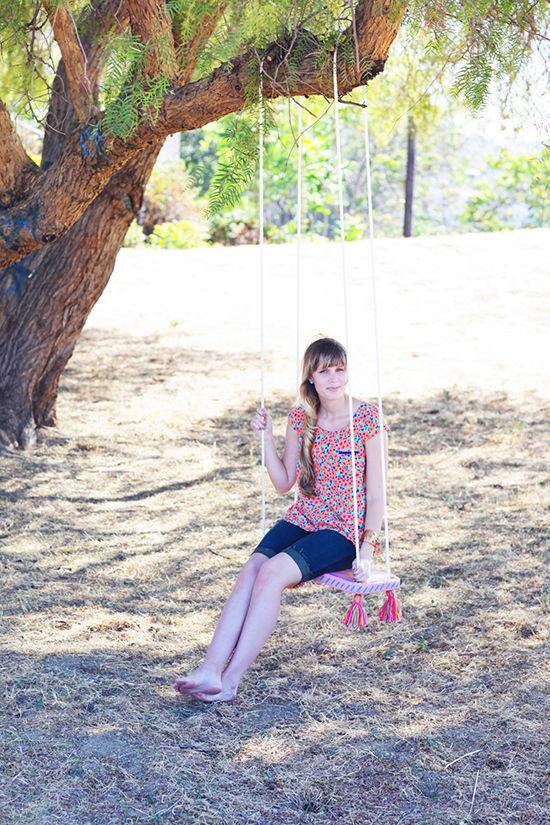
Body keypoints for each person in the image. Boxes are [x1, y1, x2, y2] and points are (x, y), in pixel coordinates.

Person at [173, 336, 390, 703]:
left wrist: (366, 549)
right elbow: (283, 483)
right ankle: (210, 669)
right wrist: (265, 440)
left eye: (339, 370)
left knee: (272, 575)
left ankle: (231, 681)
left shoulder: (367, 418)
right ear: (311, 377)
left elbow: (377, 492)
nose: (334, 379)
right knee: (252, 569)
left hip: (343, 529)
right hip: (304, 516)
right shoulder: (300, 418)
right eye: (325, 372)